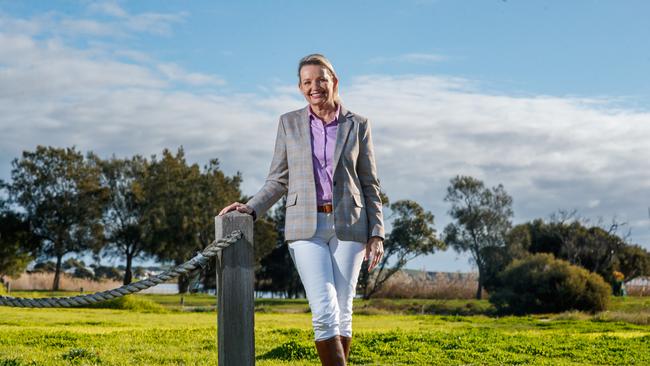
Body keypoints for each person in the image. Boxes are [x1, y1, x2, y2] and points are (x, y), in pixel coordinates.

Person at [219, 54, 384, 366]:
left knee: (343, 308)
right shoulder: (289, 123)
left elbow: (369, 182)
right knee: (324, 308)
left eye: (321, 80)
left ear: (334, 82)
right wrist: (251, 208)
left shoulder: (358, 125)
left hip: (350, 225)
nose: (315, 87)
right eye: (307, 82)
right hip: (304, 226)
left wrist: (377, 232)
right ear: (300, 87)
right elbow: (278, 179)